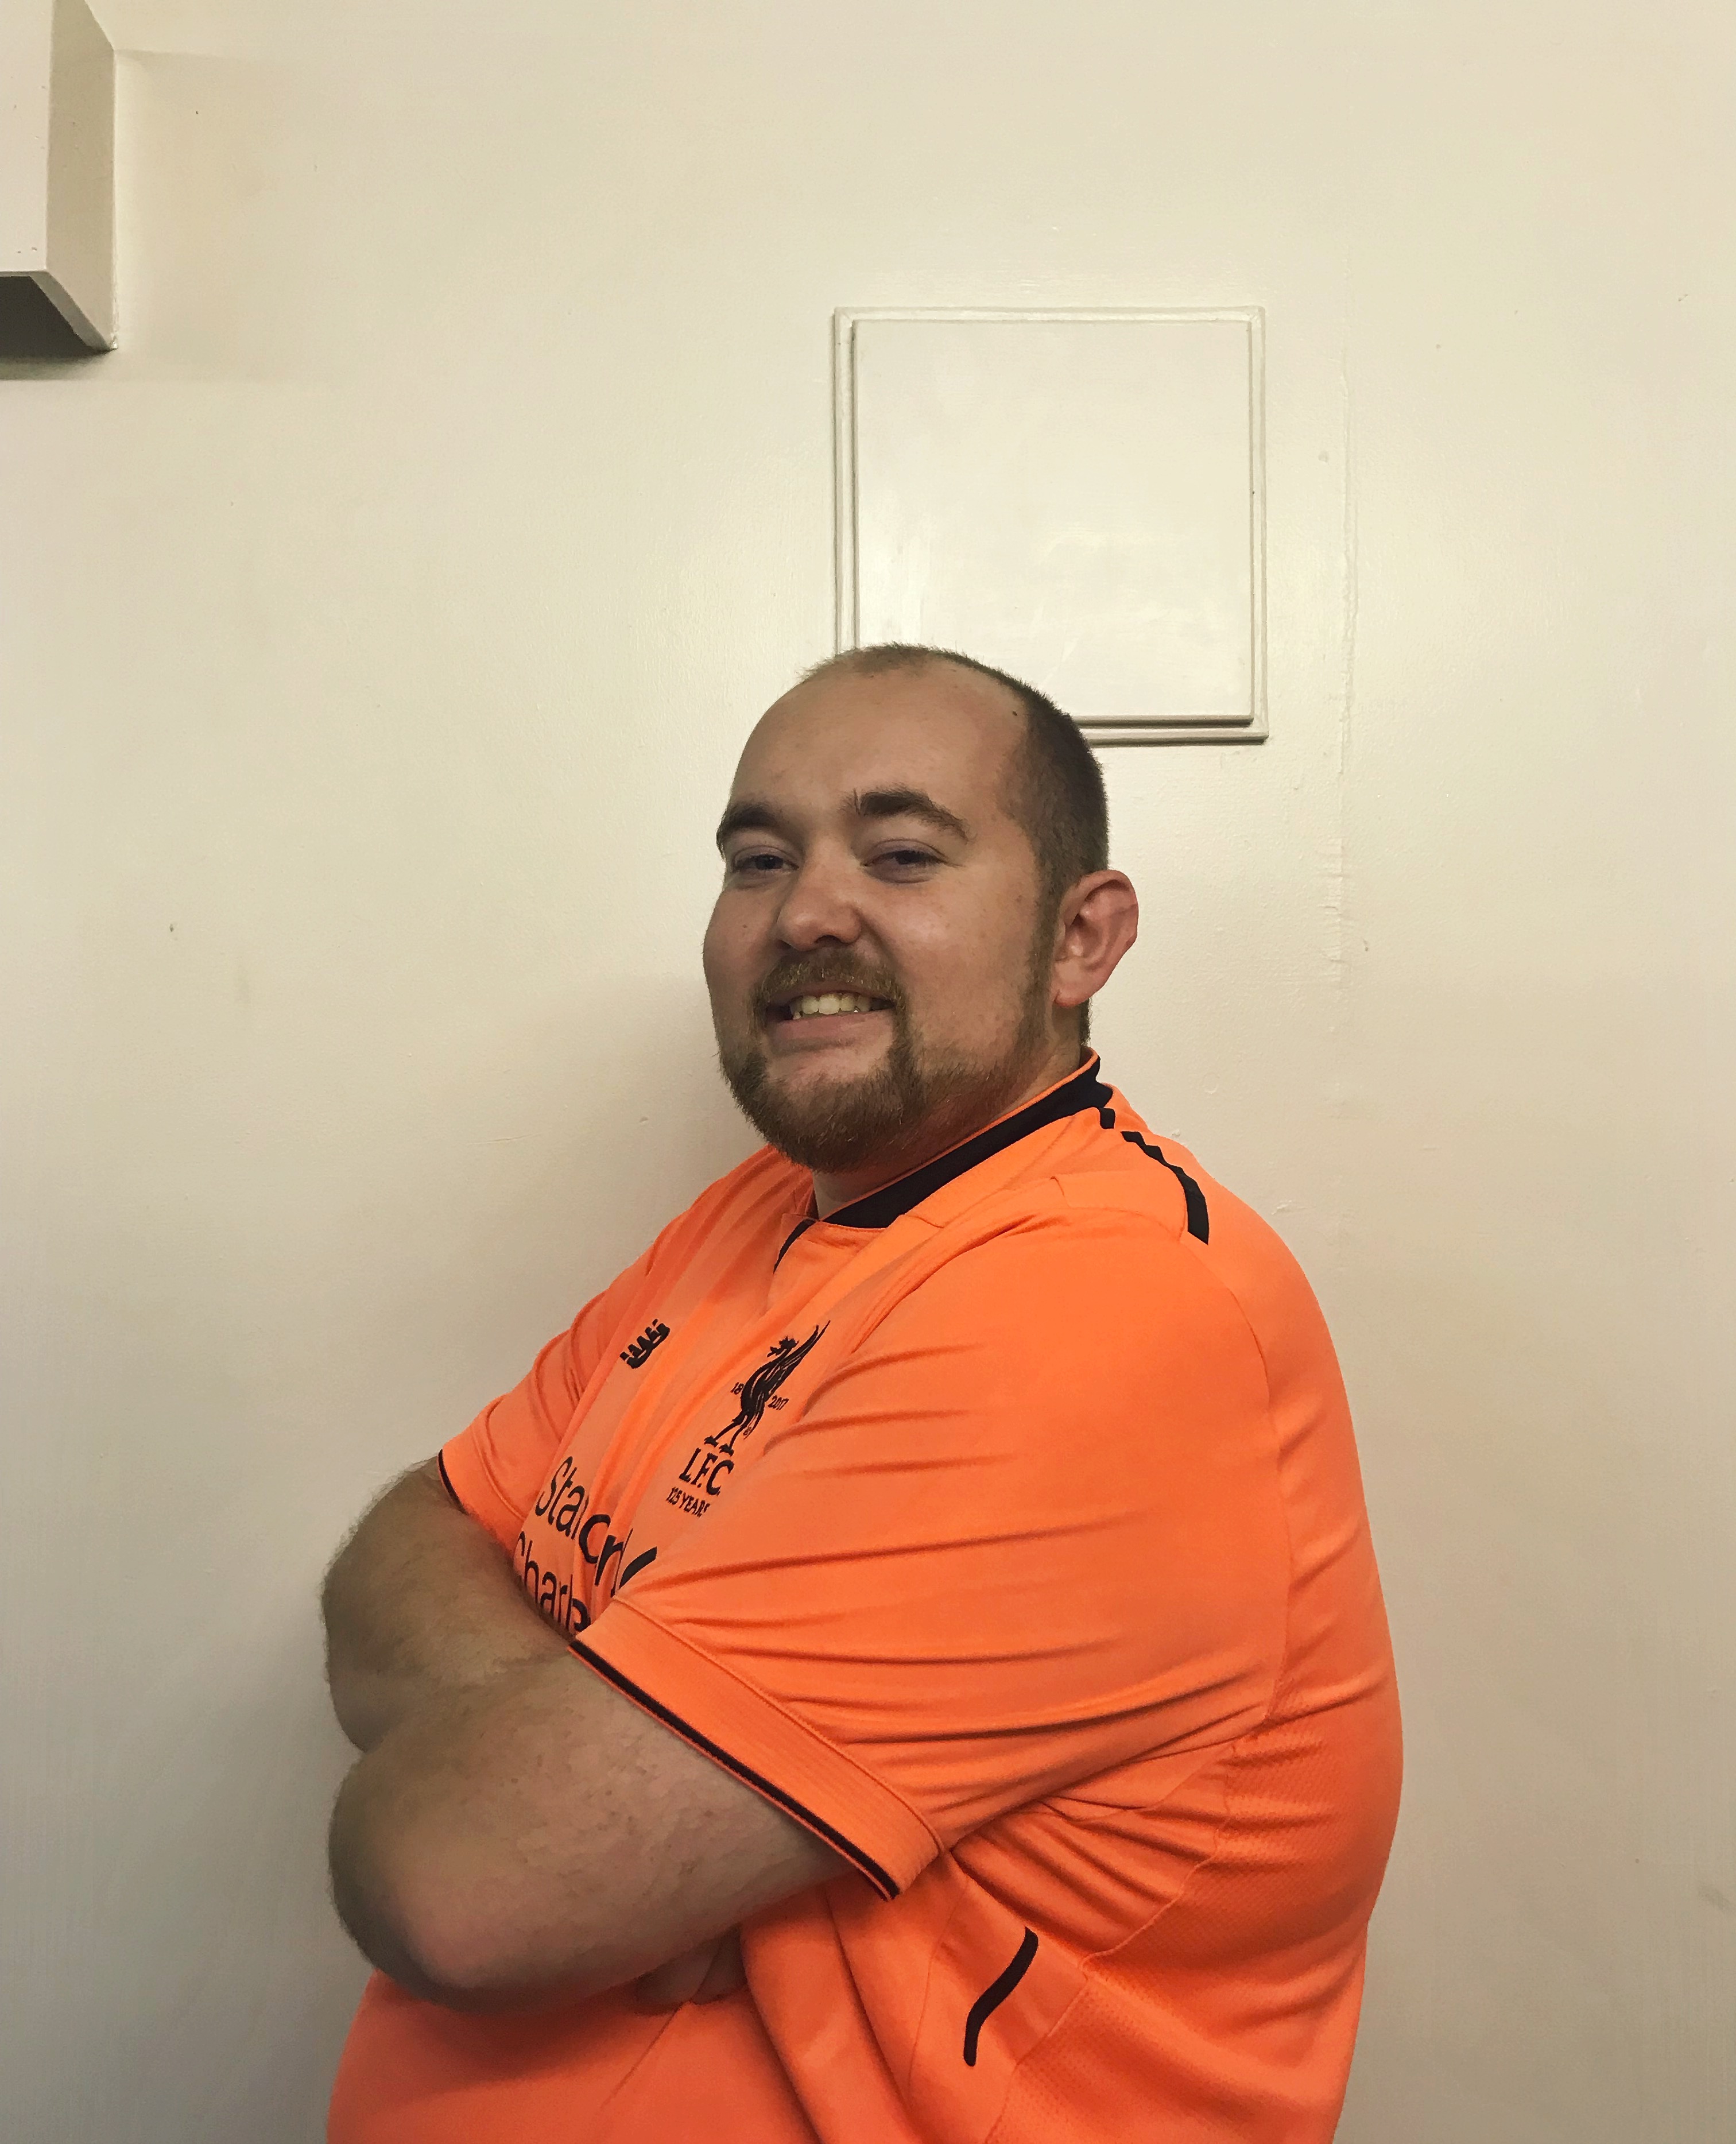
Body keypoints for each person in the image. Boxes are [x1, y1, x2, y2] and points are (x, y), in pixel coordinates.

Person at [321, 645, 1402, 2143]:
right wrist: (540, 1761)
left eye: (901, 854)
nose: (805, 913)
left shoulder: (1105, 1306)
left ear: (1080, 938)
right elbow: (406, 1548)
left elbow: (455, 1888)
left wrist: (498, 1793)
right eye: (758, 859)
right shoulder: (758, 1216)